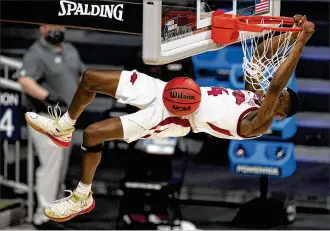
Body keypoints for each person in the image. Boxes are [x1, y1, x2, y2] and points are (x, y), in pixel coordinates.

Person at [24, 15, 313, 222]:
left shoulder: (259, 123)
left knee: (94, 134)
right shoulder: (254, 95)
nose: (273, 93)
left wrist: (301, 41)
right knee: (90, 78)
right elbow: (261, 54)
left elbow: (275, 85)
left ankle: (81, 196)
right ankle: (64, 125)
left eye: (280, 98)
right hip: (169, 90)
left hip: (176, 116)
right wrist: (290, 32)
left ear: (279, 112)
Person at [13, 25, 86, 226]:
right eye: (51, 25)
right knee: (50, 167)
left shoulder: (70, 49)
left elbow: (81, 74)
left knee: (61, 168)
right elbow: (25, 80)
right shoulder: (36, 52)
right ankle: (43, 216)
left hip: (67, 118)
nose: (56, 29)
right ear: (42, 28)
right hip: (46, 116)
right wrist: (48, 97)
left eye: (59, 25)